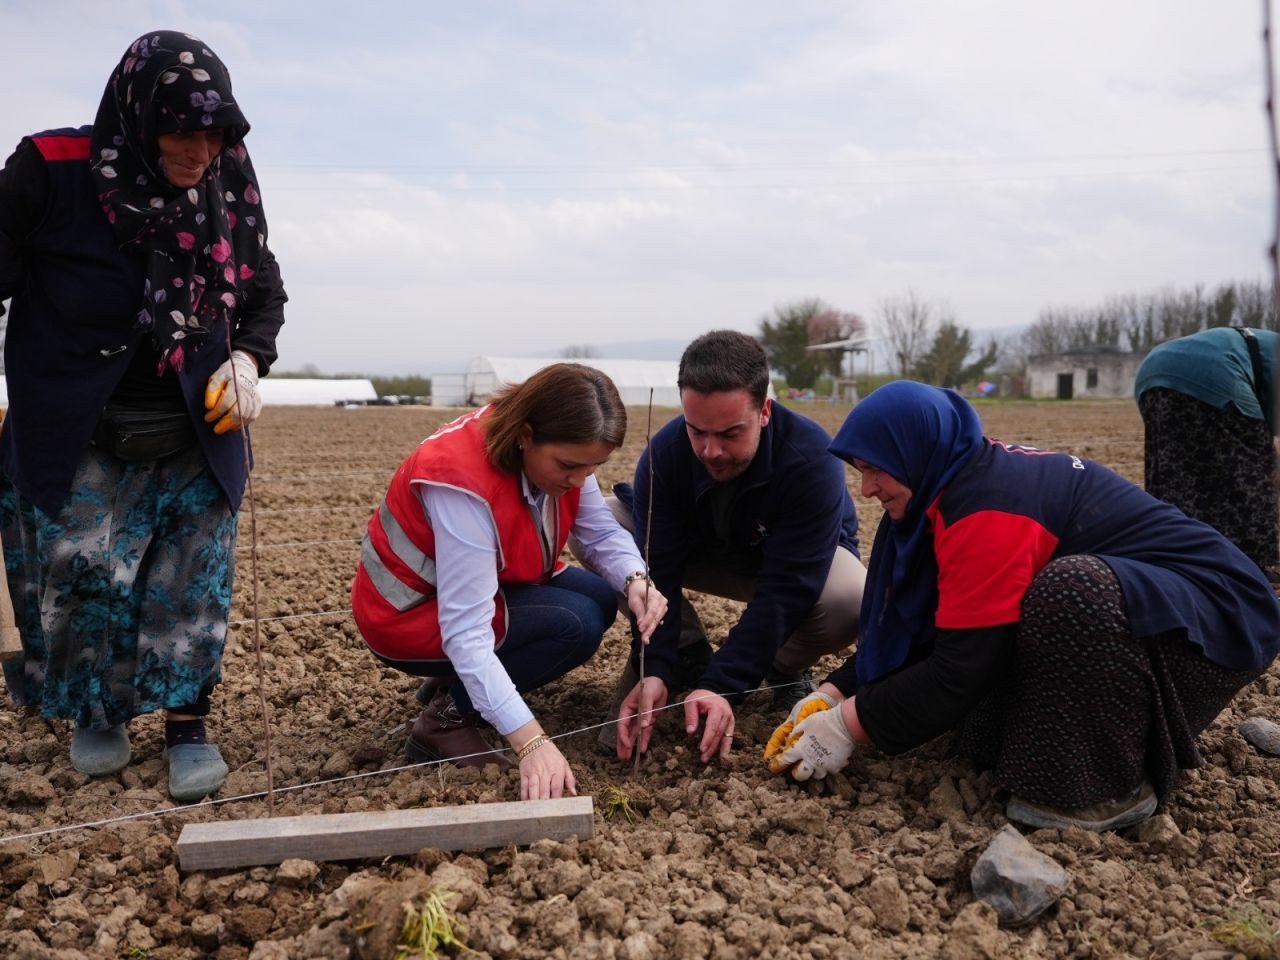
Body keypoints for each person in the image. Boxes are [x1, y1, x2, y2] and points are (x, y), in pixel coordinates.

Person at [765, 381, 1280, 832]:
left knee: (1070, 590)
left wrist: (848, 725)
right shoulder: (950, 487)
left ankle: (1110, 792)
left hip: (1212, 625)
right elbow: (932, 625)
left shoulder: (987, 509)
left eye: (877, 469)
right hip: (1146, 617)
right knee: (981, 736)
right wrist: (834, 694)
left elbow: (963, 666)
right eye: (860, 470)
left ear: (916, 453)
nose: (867, 488)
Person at [0, 31, 287, 801]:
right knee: (90, 577)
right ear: (135, 116)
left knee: (192, 584)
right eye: (181, 130)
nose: (200, 150)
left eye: (215, 132)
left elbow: (262, 289)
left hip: (199, 428)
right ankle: (102, 712)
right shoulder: (51, 171)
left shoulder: (228, 184)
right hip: (82, 425)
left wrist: (247, 360)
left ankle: (189, 725)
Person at [352, 363, 668, 801]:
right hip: (405, 615)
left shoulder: (561, 454)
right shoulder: (461, 483)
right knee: (573, 624)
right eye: (569, 466)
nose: (580, 480)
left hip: (466, 592)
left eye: (594, 466)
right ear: (525, 434)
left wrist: (637, 580)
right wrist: (532, 743)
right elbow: (466, 633)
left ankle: (454, 686)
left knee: (597, 596)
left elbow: (598, 531)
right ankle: (444, 723)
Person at [608, 330, 865, 765]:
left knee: (851, 597)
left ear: (764, 411)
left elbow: (786, 589)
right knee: (608, 523)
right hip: (709, 555)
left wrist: (724, 685)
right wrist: (654, 665)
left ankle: (783, 666)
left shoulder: (810, 459)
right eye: (697, 431)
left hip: (793, 568)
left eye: (730, 433)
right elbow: (659, 568)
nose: (711, 450)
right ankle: (687, 654)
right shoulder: (666, 454)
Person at [1134, 325, 1279, 580]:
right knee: (1248, 475)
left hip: (1152, 371)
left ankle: (1177, 556)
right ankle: (1247, 566)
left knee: (1175, 474)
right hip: (1215, 373)